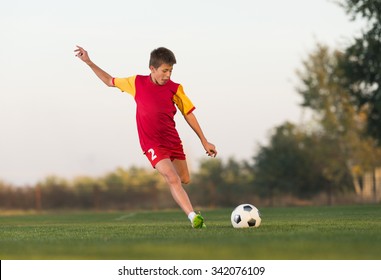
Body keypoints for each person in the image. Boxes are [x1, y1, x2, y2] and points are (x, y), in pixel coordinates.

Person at [74, 46, 217, 228]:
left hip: (172, 140)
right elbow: (109, 80)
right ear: (152, 68)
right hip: (151, 143)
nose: (168, 75)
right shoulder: (136, 82)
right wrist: (88, 62)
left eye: (171, 71)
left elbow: (188, 114)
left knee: (184, 179)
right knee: (172, 178)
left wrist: (204, 141)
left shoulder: (175, 89)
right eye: (164, 71)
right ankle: (193, 217)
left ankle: (175, 187)